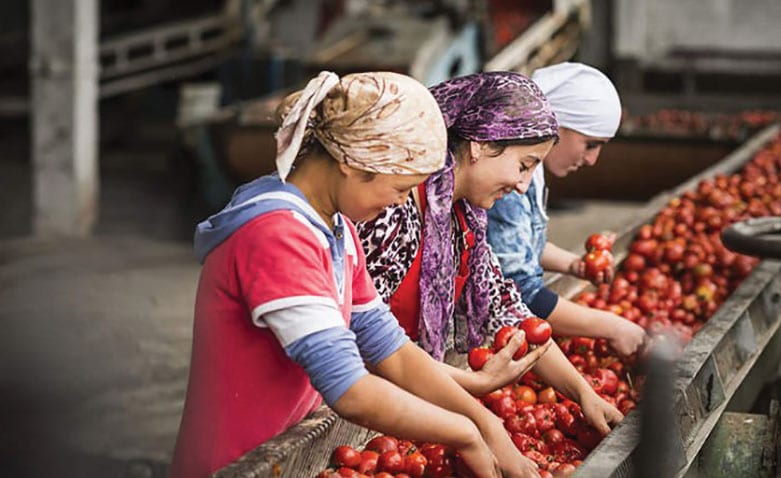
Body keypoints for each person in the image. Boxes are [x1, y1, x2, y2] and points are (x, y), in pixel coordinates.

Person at [170, 71, 539, 478]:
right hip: (235, 465)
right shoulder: (277, 236)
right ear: (352, 163)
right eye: (401, 189)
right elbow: (349, 390)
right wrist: (466, 434)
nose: (401, 203)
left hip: (286, 457)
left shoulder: (336, 230)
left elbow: (390, 350)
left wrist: (487, 424)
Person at [357, 71, 624, 435]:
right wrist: (477, 400)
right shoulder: (392, 209)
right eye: (524, 165)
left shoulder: (465, 220)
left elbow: (508, 310)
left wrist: (584, 393)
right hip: (355, 402)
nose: (523, 184)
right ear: (481, 144)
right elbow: (367, 343)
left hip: (406, 399)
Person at [486, 62, 646, 357]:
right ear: (556, 124)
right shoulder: (508, 178)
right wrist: (612, 326)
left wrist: (573, 265)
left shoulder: (529, 169)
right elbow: (518, 290)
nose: (592, 160)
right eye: (590, 144)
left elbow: (519, 245)